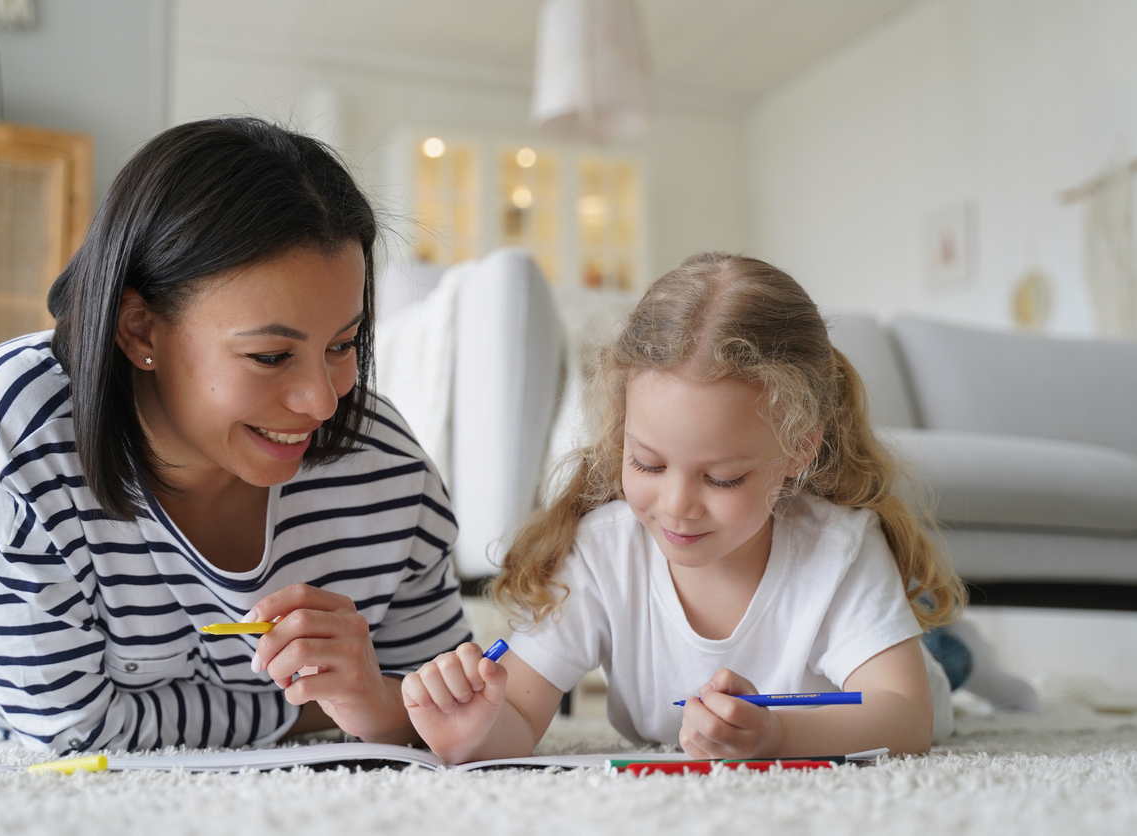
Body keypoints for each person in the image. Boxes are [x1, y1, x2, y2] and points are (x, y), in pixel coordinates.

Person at [0, 117, 471, 754]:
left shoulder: (389, 469)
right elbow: (73, 731)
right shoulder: (15, 424)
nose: (323, 402)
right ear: (139, 330)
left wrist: (380, 703)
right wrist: (327, 709)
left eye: (342, 344)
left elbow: (456, 715)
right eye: (271, 356)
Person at [403, 252, 970, 763]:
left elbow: (907, 716)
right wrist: (471, 728)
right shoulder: (602, 553)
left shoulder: (840, 549)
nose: (676, 508)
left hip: (904, 676)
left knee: (948, 661)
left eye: (722, 479)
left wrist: (777, 736)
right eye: (647, 464)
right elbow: (518, 717)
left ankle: (955, 650)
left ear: (799, 448)